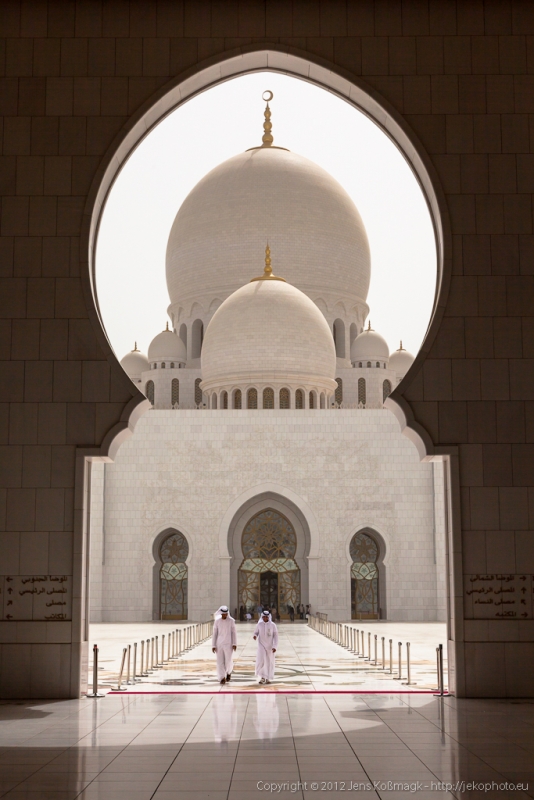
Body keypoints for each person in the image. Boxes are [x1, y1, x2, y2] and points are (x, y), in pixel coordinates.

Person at [212, 605, 237, 685]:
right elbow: (214, 634)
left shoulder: (231, 621)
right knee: (220, 662)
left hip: (228, 644)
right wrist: (213, 645)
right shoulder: (217, 621)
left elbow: (234, 633)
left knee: (228, 661)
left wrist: (234, 643)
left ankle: (229, 672)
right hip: (219, 644)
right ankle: (222, 677)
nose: (225, 615)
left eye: (226, 614)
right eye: (223, 614)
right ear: (221, 613)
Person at [253, 610, 279, 685]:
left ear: (269, 617)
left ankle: (268, 678)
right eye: (263, 617)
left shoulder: (273, 625)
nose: (265, 618)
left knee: (269, 661)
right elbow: (256, 632)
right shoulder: (259, 624)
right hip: (261, 645)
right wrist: (255, 636)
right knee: (261, 661)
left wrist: (275, 646)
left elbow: (276, 636)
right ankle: (262, 677)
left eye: (266, 617)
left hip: (270, 646)